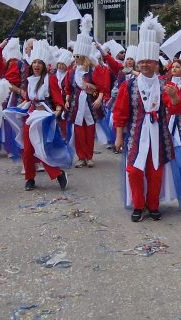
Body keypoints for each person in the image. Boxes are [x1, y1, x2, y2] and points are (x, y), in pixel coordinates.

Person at [113, 15, 181, 222]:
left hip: (159, 134)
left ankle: (153, 204)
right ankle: (138, 205)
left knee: (156, 171)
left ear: (156, 64)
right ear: (138, 63)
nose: (145, 65)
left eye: (149, 61)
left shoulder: (165, 84)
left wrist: (174, 98)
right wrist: (119, 136)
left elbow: (177, 110)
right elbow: (120, 113)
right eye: (142, 61)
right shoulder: (128, 85)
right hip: (136, 134)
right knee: (134, 170)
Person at [13, 41, 70, 192]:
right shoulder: (30, 80)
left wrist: (57, 111)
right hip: (31, 117)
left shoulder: (50, 79)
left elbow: (58, 99)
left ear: (44, 65)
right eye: (34, 62)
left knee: (42, 148)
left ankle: (58, 174)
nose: (36, 65)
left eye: (39, 62)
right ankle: (30, 178)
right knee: (27, 149)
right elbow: (28, 99)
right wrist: (13, 109)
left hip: (44, 118)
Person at [67, 16, 110, 168]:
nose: (76, 58)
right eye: (75, 56)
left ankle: (89, 156)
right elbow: (68, 87)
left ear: (84, 57)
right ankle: (81, 156)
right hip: (77, 104)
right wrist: (67, 99)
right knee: (78, 130)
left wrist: (98, 97)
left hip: (90, 103)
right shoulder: (71, 71)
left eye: (78, 56)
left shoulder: (93, 70)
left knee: (90, 130)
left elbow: (102, 87)